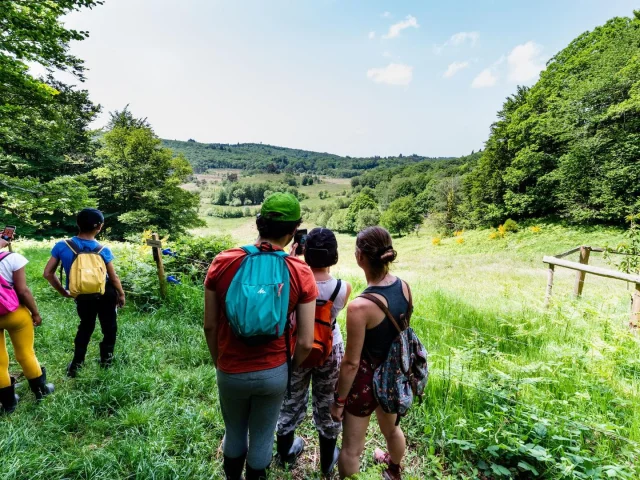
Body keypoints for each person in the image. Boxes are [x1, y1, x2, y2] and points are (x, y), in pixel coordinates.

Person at [204, 192, 316, 480]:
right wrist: (289, 367)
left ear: (258, 223)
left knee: (234, 430)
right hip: (273, 369)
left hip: (230, 367)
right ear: (294, 232)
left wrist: (220, 362)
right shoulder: (299, 270)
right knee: (263, 436)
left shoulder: (224, 261)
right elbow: (305, 341)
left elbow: (210, 326)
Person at [331, 226, 411, 480]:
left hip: (365, 382)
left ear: (360, 257)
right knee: (392, 430)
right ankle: (394, 470)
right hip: (393, 377)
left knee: (352, 449)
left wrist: (339, 401)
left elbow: (351, 363)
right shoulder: (405, 287)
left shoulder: (360, 307)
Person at [276, 227, 352, 476]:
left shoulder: (293, 281)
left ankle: (285, 453)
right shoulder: (343, 288)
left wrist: (294, 256)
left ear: (306, 253)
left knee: (291, 399)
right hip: (330, 349)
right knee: (327, 402)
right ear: (334, 255)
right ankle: (327, 462)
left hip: (298, 347)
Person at [43, 208, 125, 377]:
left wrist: (63, 291)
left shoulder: (62, 246)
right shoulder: (103, 250)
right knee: (109, 327)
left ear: (78, 224)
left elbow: (47, 273)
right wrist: (121, 294)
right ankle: (106, 361)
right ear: (99, 227)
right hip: (106, 292)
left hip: (81, 294)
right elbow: (113, 277)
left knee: (86, 327)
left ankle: (76, 365)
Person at [0, 238, 54, 413]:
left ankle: (9, 404)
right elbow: (22, 290)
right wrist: (35, 313)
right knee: (26, 353)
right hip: (15, 313)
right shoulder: (13, 258)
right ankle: (40, 392)